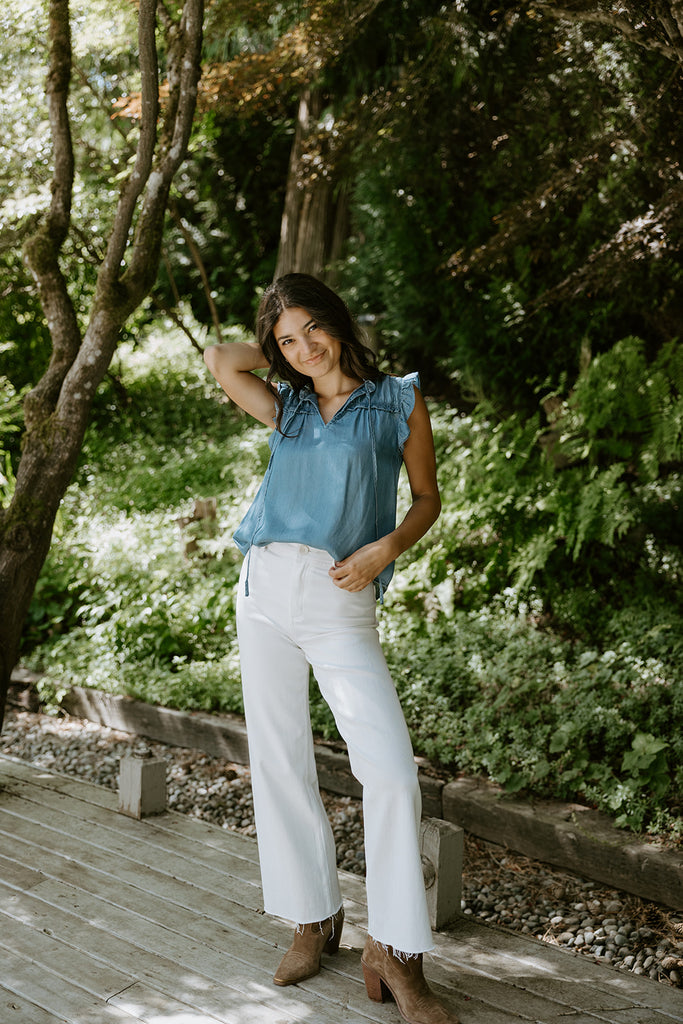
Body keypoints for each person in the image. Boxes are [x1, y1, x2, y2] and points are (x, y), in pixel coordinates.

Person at [204, 273, 459, 1024]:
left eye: (314, 327)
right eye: (287, 339)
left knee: (388, 772)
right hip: (263, 591)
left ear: (339, 322)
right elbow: (222, 360)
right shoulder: (284, 406)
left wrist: (385, 550)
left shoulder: (397, 399)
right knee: (279, 757)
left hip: (341, 596)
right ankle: (312, 917)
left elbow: (426, 498)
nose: (304, 346)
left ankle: (395, 950)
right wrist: (280, 348)